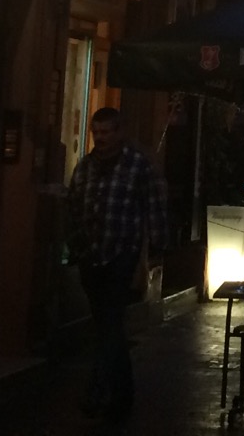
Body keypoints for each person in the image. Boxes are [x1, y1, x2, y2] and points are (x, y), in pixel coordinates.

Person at [66, 106, 167, 422]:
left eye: (107, 132)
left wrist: (157, 247)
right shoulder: (85, 167)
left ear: (119, 132)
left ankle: (97, 391)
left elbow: (154, 206)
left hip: (121, 254)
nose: (102, 138)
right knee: (108, 327)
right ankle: (122, 397)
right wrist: (76, 245)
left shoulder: (137, 166)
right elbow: (73, 207)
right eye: (97, 133)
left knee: (109, 322)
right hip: (91, 256)